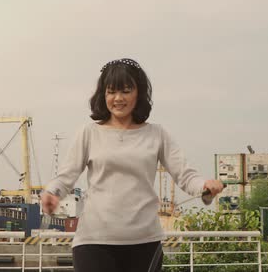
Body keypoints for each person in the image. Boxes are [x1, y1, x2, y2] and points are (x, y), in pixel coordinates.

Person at [41, 58, 224, 272]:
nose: (118, 98)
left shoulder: (157, 134)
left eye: (126, 91)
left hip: (144, 242)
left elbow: (186, 176)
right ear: (103, 95)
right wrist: (52, 193)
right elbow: (65, 177)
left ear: (139, 93)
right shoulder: (89, 133)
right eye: (111, 91)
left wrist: (205, 187)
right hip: (94, 241)